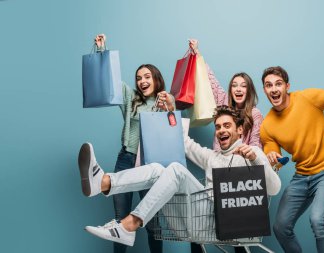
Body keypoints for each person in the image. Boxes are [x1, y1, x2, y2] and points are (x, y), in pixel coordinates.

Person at [78, 106, 281, 247]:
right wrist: (171, 110)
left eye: (226, 126)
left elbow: (274, 188)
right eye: (218, 127)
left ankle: (129, 225)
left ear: (239, 130)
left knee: (175, 169)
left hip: (222, 225)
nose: (221, 130)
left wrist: (256, 160)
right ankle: (104, 182)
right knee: (158, 169)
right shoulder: (212, 158)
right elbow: (184, 142)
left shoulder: (253, 154)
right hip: (196, 221)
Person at [259, 52, 324, 253]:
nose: (274, 89)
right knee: (280, 227)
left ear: (287, 87)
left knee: (318, 220)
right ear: (265, 90)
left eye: (278, 83)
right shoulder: (267, 125)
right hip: (301, 177)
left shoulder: (307, 98)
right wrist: (273, 157)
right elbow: (273, 153)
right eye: (268, 85)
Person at [93, 34, 175, 253]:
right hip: (126, 160)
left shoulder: (163, 102)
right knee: (120, 222)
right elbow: (113, 80)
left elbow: (173, 125)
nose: (142, 81)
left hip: (151, 165)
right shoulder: (132, 100)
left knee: (153, 224)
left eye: (147, 76)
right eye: (139, 78)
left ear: (156, 79)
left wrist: (169, 105)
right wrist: (102, 51)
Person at [189, 39, 263, 151]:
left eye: (243, 86)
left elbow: (255, 144)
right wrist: (197, 52)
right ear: (230, 89)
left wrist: (245, 156)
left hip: (242, 163)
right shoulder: (224, 102)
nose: (238, 89)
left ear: (249, 91)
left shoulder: (255, 114)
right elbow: (211, 80)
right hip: (219, 161)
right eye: (234, 85)